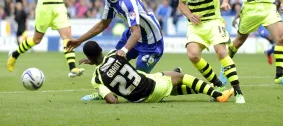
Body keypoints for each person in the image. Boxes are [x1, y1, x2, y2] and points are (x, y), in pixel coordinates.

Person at [66, 0, 164, 98]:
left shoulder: (127, 2)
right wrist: (79, 40)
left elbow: (137, 32)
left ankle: (172, 77)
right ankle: (104, 93)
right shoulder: (110, 0)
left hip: (151, 42)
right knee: (110, 64)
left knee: (139, 82)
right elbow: (103, 24)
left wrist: (124, 50)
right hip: (131, 35)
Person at [172, 0, 245, 103]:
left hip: (213, 21)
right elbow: (181, 4)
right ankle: (218, 85)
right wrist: (189, 15)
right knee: (192, 55)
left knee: (221, 52)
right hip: (195, 25)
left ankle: (238, 91)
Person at [81, 40, 234, 104]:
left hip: (138, 98)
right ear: (101, 49)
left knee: (168, 83)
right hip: (151, 87)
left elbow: (112, 100)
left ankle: (172, 78)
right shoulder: (116, 53)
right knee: (180, 76)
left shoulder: (96, 79)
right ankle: (219, 95)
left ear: (88, 57)